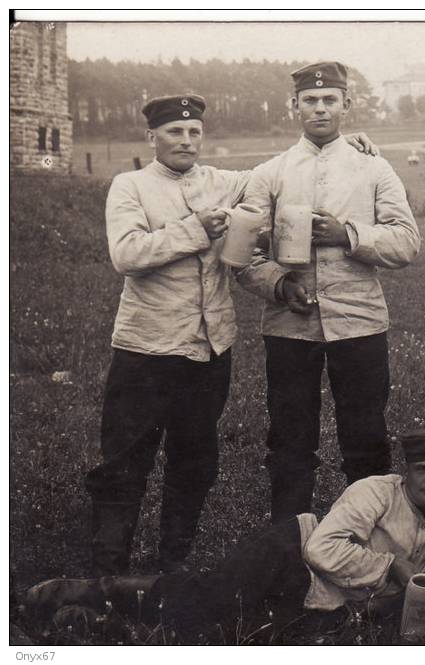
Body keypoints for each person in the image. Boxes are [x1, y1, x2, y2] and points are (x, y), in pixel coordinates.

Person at [24, 430, 425, 641]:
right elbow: (321, 548)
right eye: (421, 469)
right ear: (405, 470)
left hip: (326, 598)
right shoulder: (374, 491)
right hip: (290, 553)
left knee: (238, 634)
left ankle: (97, 622)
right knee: (210, 599)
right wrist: (391, 565)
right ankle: (88, 591)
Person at [236, 62, 420, 523]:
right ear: (294, 106)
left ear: (347, 104)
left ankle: (368, 533)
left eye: (330, 100)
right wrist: (278, 283)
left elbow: (406, 242)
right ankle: (287, 540)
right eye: (311, 100)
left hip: (359, 322)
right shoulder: (271, 172)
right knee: (289, 438)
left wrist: (348, 235)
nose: (320, 108)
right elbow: (241, 254)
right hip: (289, 327)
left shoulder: (373, 168)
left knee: (365, 435)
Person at [85, 94, 247, 577]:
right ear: (151, 136)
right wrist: (195, 228)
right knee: (124, 463)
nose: (186, 140)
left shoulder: (222, 181)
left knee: (194, 461)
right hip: (146, 350)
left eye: (194, 131)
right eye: (175, 132)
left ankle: (171, 566)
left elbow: (280, 173)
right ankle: (108, 574)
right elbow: (128, 255)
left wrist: (352, 143)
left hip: (209, 349)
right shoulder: (130, 185)